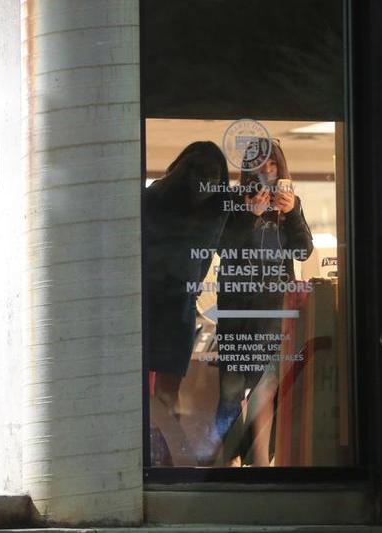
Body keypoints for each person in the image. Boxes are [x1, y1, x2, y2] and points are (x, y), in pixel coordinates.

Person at [198, 138, 313, 466]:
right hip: (238, 306)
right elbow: (222, 248)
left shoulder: (291, 204)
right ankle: (224, 460)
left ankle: (261, 462)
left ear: (280, 167)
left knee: (267, 385)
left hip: (275, 307)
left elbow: (302, 251)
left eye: (272, 164)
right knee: (232, 388)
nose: (266, 170)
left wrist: (291, 213)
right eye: (259, 164)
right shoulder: (233, 200)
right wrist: (250, 215)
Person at [144, 141, 230, 465]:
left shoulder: (155, 198)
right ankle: (161, 460)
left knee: (157, 393)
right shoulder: (214, 208)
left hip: (160, 303)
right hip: (171, 305)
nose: (204, 184)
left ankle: (157, 458)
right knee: (166, 393)